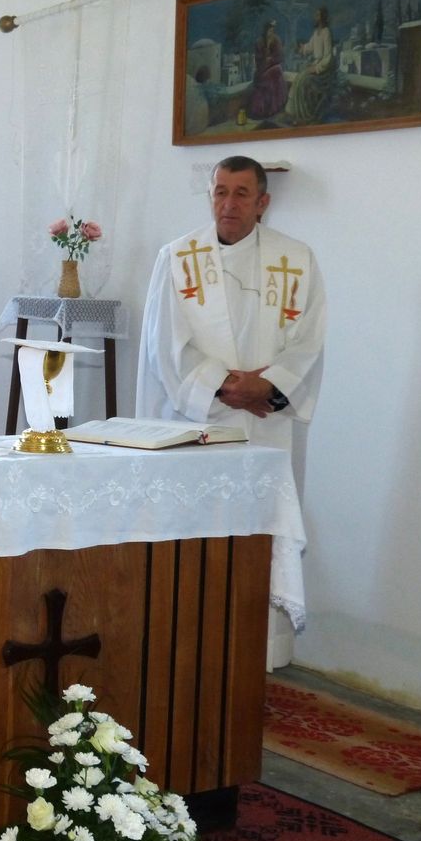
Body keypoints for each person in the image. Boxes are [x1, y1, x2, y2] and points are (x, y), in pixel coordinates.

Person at [136, 156, 327, 667]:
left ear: (263, 203)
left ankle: (253, 655)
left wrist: (269, 387)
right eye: (221, 191)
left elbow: (309, 341)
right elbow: (164, 344)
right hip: (197, 422)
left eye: (242, 193)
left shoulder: (298, 259)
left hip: (269, 426)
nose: (229, 203)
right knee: (195, 536)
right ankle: (186, 650)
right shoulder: (178, 257)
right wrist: (228, 388)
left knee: (257, 540)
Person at [285, 6, 337, 125]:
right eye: (316, 15)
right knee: (299, 77)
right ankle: (296, 113)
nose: (315, 17)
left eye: (318, 15)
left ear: (322, 17)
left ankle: (305, 114)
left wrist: (317, 68)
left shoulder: (326, 32)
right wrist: (301, 48)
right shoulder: (316, 33)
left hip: (324, 70)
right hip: (315, 65)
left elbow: (328, 57)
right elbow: (310, 47)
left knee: (304, 80)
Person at [249, 20, 286, 120]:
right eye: (269, 31)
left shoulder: (276, 40)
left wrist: (271, 59)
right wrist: (266, 53)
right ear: (265, 31)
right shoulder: (259, 42)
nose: (271, 33)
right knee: (271, 76)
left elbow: (280, 57)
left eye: (273, 31)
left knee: (277, 71)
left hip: (272, 68)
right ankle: (262, 111)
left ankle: (273, 108)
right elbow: (259, 59)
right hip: (262, 70)